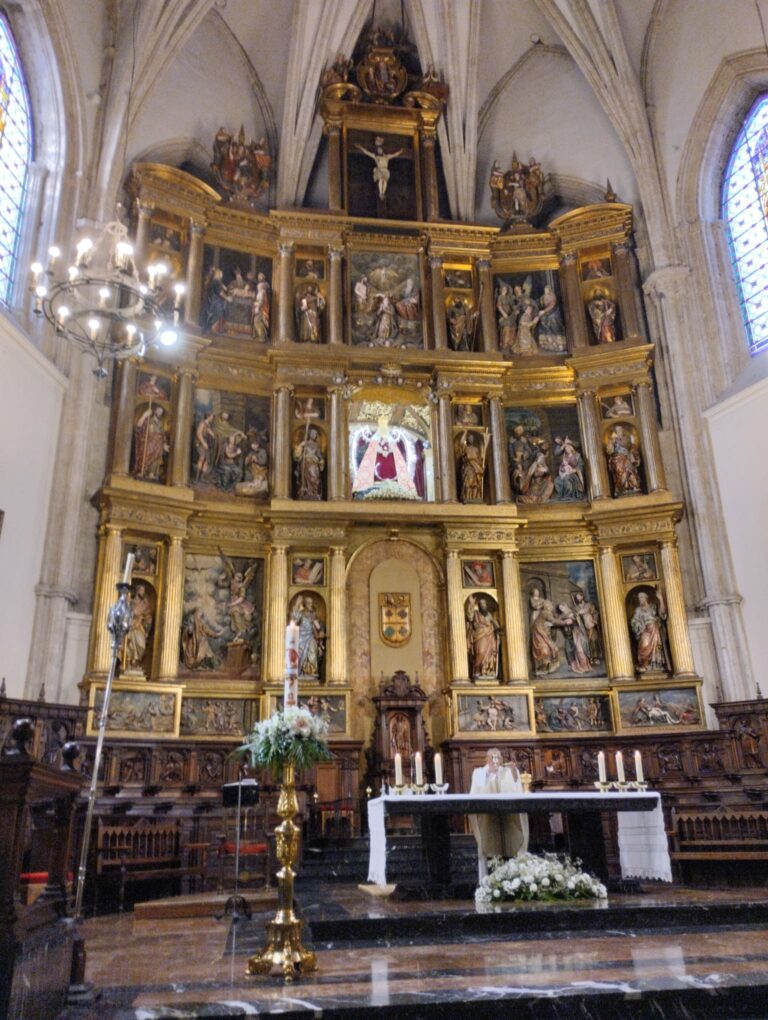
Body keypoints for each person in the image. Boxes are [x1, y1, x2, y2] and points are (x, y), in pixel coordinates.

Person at [469, 748, 529, 880]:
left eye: (498, 757)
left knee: (509, 850)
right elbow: (474, 794)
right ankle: (491, 880)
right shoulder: (479, 773)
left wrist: (513, 772)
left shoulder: (508, 771)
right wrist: (490, 774)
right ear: (486, 759)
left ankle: (512, 878)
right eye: (491, 757)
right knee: (491, 851)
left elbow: (516, 790)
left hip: (508, 820)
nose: (495, 760)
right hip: (488, 819)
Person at [630, 590, 670, 673]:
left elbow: (662, 614)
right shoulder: (638, 610)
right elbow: (634, 621)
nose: (640, 599)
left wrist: (661, 599)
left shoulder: (653, 607)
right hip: (644, 630)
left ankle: (656, 664)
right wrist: (639, 626)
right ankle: (645, 664)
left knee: (657, 646)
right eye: (639, 598)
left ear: (646, 598)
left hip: (655, 630)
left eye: (641, 597)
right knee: (644, 646)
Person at [465, 595, 500, 679]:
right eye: (481, 604)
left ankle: (487, 670)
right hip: (479, 636)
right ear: (479, 605)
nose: (482, 605)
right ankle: (477, 670)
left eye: (484, 604)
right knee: (480, 652)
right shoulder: (476, 613)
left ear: (486, 605)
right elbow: (469, 617)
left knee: (489, 654)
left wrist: (498, 629)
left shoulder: (489, 615)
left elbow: (495, 623)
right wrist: (471, 604)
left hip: (489, 636)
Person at [291, 594, 325, 679]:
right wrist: (296, 605)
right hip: (301, 638)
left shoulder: (313, 615)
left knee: (313, 650)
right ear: (305, 604)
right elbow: (294, 620)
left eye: (311, 603)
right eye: (308, 603)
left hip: (311, 637)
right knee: (300, 654)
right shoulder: (301, 614)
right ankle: (301, 672)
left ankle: (311, 672)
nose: (310, 604)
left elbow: (319, 627)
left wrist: (320, 631)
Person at [529, 588, 559, 675]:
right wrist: (542, 605)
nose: (537, 592)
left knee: (546, 632)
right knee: (538, 632)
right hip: (536, 615)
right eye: (536, 591)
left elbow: (544, 607)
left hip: (543, 617)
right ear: (533, 593)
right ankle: (543, 665)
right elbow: (535, 607)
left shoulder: (543, 603)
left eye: (538, 591)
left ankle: (548, 663)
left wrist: (543, 605)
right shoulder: (532, 599)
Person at [132, 405, 167, 480]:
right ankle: (143, 471)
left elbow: (163, 435)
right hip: (148, 443)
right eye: (159, 410)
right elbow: (139, 426)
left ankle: (152, 473)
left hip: (157, 445)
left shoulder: (161, 423)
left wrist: (164, 444)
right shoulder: (148, 420)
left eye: (161, 411)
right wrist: (144, 415)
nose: (160, 412)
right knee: (146, 457)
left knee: (156, 459)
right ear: (155, 410)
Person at [607, 425, 642, 496]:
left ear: (623, 431)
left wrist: (633, 454)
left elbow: (631, 447)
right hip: (618, 459)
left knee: (630, 469)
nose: (619, 432)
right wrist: (611, 444)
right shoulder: (614, 440)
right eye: (618, 431)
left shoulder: (627, 438)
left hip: (627, 457)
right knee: (620, 469)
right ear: (616, 432)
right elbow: (610, 451)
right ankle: (622, 488)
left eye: (620, 430)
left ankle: (633, 486)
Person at [293, 426, 325, 500]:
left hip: (314, 464)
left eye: (316, 434)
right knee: (305, 479)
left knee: (315, 478)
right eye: (313, 433)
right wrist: (301, 446)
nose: (314, 435)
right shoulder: (304, 443)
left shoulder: (317, 446)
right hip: (306, 464)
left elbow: (320, 456)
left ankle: (314, 492)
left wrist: (321, 462)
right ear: (309, 434)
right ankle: (306, 491)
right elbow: (297, 454)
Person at [125, 584, 153, 671]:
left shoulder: (144, 604)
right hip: (131, 626)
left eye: (143, 591)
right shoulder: (131, 601)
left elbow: (148, 616)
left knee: (141, 645)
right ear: (137, 591)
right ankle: (129, 663)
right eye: (141, 590)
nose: (142, 592)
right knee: (129, 645)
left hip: (140, 627)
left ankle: (136, 663)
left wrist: (147, 621)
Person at [457, 430, 486, 503]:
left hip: (476, 467)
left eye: (472, 438)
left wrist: (482, 465)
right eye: (469, 438)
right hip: (468, 467)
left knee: (475, 484)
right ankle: (468, 496)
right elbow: (461, 443)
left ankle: (475, 497)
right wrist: (465, 432)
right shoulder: (466, 448)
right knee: (468, 483)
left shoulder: (476, 449)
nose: (471, 439)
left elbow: (479, 459)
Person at [537, 284, 567, 352]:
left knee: (552, 320)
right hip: (546, 312)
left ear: (549, 290)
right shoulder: (543, 297)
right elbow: (539, 303)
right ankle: (547, 341)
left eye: (547, 290)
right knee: (542, 320)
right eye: (545, 290)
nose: (545, 291)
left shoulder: (552, 296)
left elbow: (552, 305)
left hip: (554, 312)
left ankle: (558, 340)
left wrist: (544, 311)